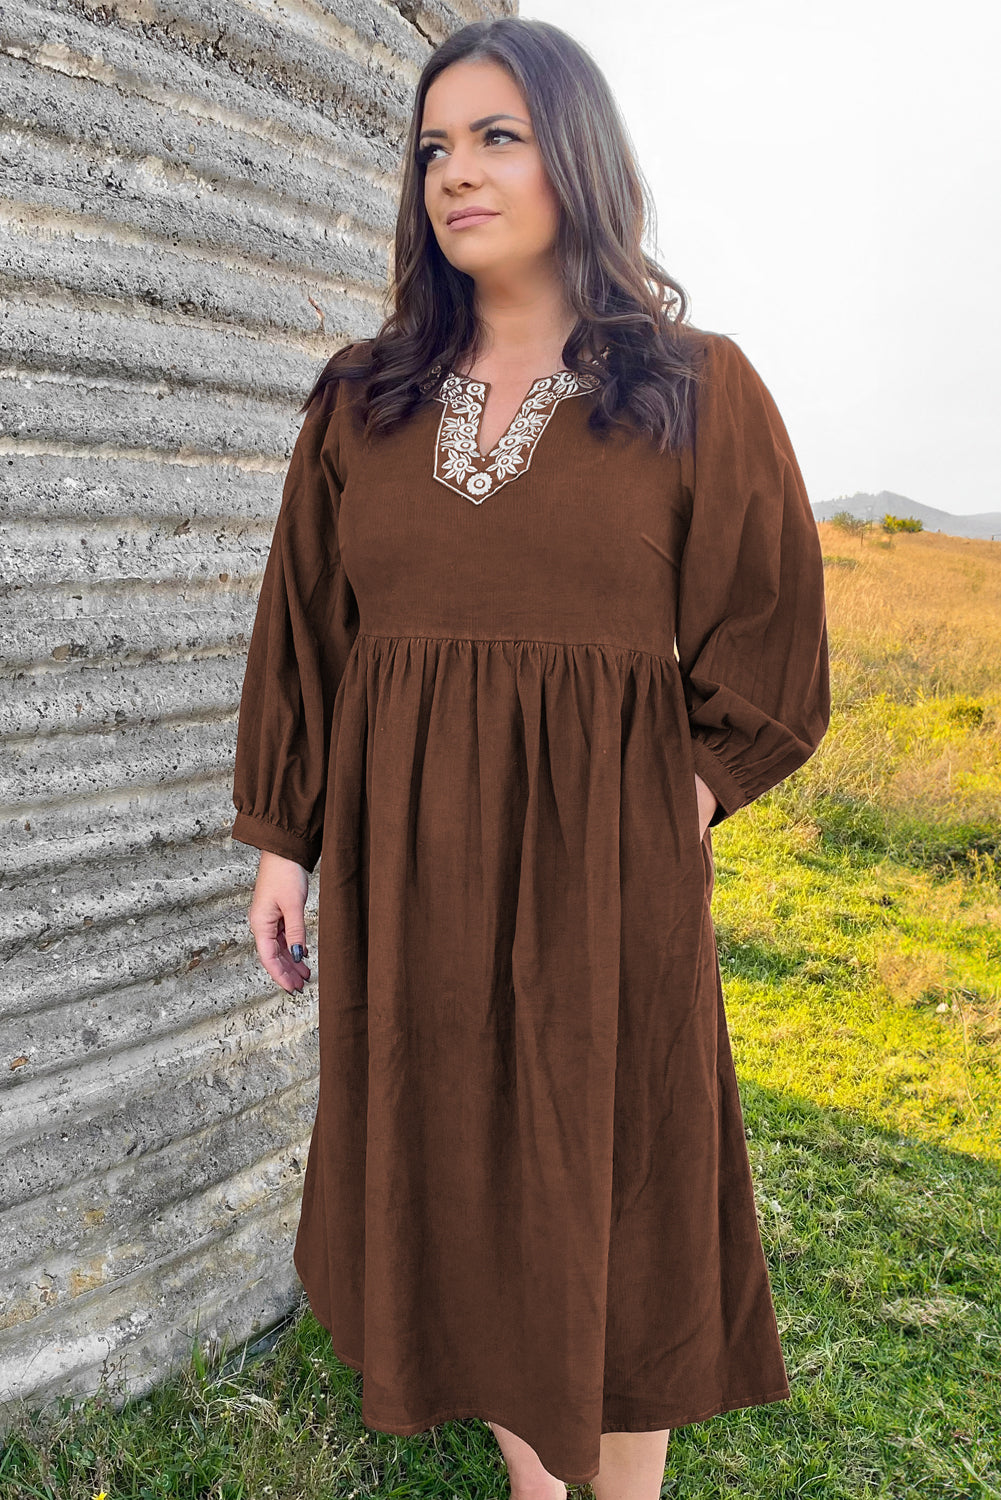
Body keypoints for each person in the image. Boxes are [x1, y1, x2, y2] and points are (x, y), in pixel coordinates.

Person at [230, 17, 830, 1500]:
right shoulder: (360, 398)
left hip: (603, 885)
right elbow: (305, 632)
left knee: (610, 1194)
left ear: (576, 156)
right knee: (454, 1175)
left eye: (496, 136)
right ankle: (531, 1479)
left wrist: (672, 802)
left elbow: (770, 636)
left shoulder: (694, 387)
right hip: (408, 874)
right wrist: (285, 841)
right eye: (435, 145)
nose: (456, 171)